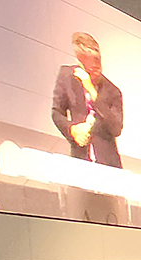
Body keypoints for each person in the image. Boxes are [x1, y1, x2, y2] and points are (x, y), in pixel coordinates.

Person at [52, 32, 123, 167]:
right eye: (89, 65)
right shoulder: (67, 76)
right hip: (80, 159)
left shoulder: (113, 91)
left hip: (108, 164)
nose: (95, 68)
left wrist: (92, 91)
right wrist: (72, 130)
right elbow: (56, 112)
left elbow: (116, 128)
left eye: (97, 61)